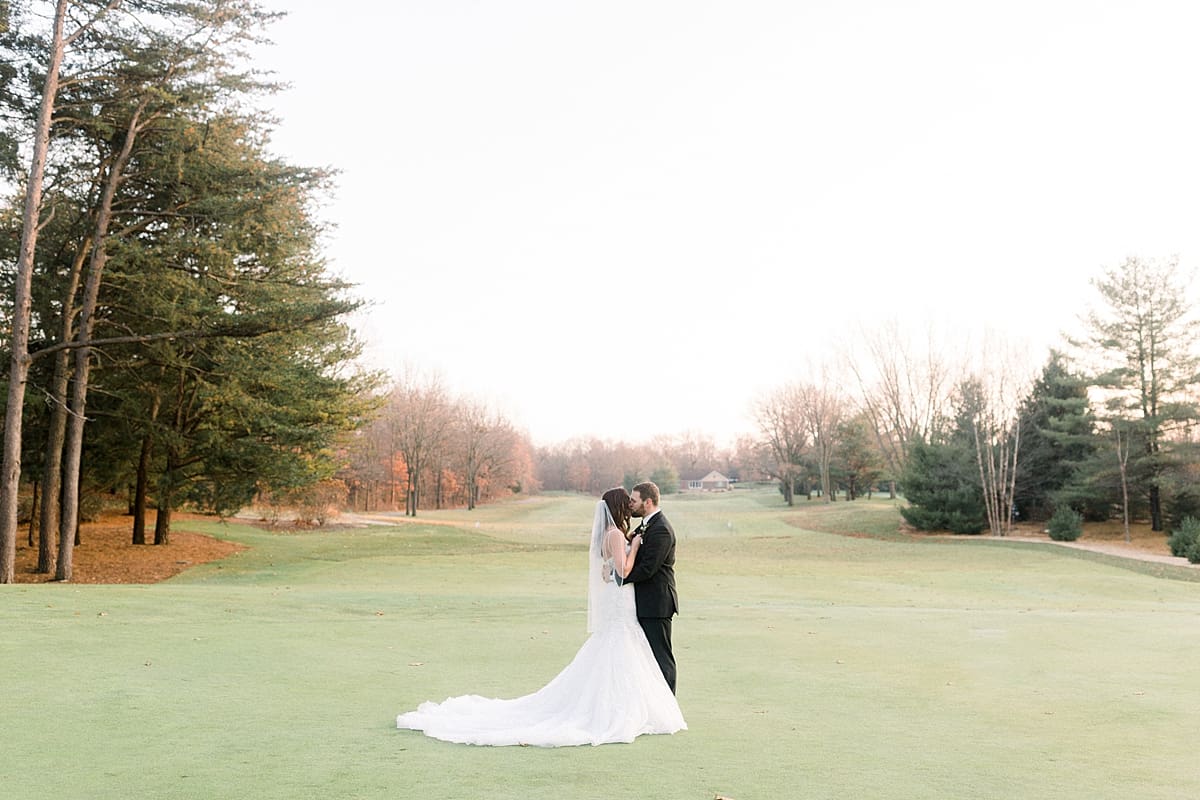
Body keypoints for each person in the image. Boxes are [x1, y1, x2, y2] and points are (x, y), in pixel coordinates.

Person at [395, 487, 686, 747]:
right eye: (628, 502)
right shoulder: (617, 535)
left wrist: (621, 560)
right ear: (620, 507)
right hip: (623, 603)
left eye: (634, 501)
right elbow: (625, 570)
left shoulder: (627, 532)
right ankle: (639, 709)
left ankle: (645, 706)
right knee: (626, 653)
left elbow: (615, 570)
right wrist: (633, 548)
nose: (632, 506)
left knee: (639, 654)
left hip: (636, 603)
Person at [625, 481, 678, 693]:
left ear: (647, 502)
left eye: (633, 500)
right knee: (646, 658)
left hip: (657, 603)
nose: (630, 504)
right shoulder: (646, 525)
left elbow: (648, 568)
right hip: (645, 602)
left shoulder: (661, 530)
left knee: (661, 657)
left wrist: (619, 578)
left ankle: (668, 705)